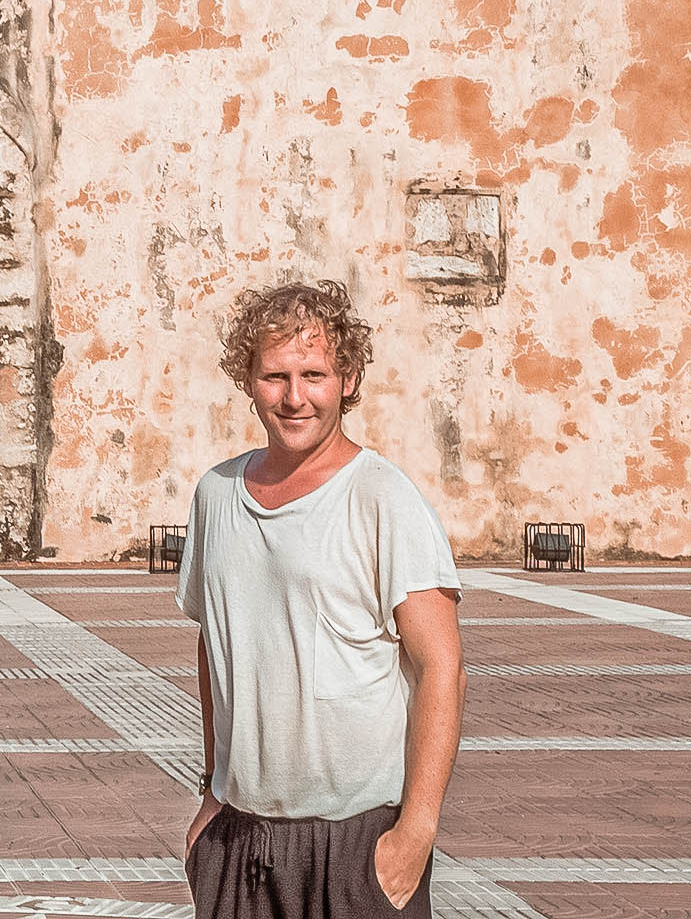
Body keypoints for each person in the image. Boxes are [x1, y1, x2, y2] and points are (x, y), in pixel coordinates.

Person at [179, 280, 464, 918]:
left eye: (314, 373)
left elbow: (441, 665)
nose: (294, 396)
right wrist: (209, 791)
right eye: (274, 376)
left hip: (359, 844)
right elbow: (215, 644)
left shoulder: (383, 498)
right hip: (240, 838)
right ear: (247, 380)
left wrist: (414, 836)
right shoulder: (216, 495)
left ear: (348, 378)